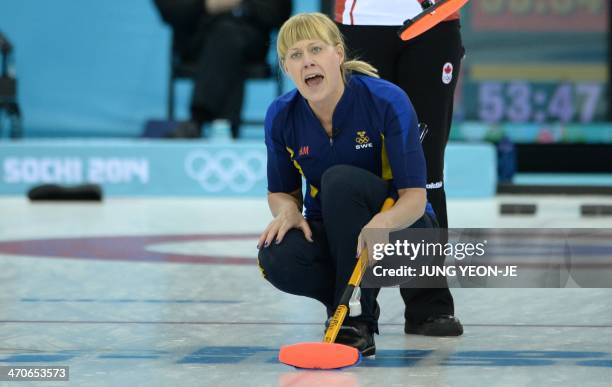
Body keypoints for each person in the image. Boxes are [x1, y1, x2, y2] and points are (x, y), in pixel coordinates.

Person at [256, 12, 438, 356]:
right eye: (295, 55)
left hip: (405, 232)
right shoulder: (281, 115)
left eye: (316, 49)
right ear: (286, 68)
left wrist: (382, 224)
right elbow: (281, 191)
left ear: (338, 54)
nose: (307, 61)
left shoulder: (386, 100)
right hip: (336, 234)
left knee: (339, 181)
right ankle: (345, 308)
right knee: (275, 256)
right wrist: (288, 211)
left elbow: (414, 197)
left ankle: (358, 318)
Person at [334, 0, 465, 336]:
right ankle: (355, 309)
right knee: (360, 165)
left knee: (427, 170)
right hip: (362, 23)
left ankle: (428, 305)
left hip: (434, 21)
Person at [153, 0, 291, 138]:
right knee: (227, 40)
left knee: (227, 34)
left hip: (249, 35)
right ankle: (227, 128)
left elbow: (280, 11)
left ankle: (198, 120)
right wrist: (205, 5)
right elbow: (170, 10)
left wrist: (239, 3)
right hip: (197, 37)